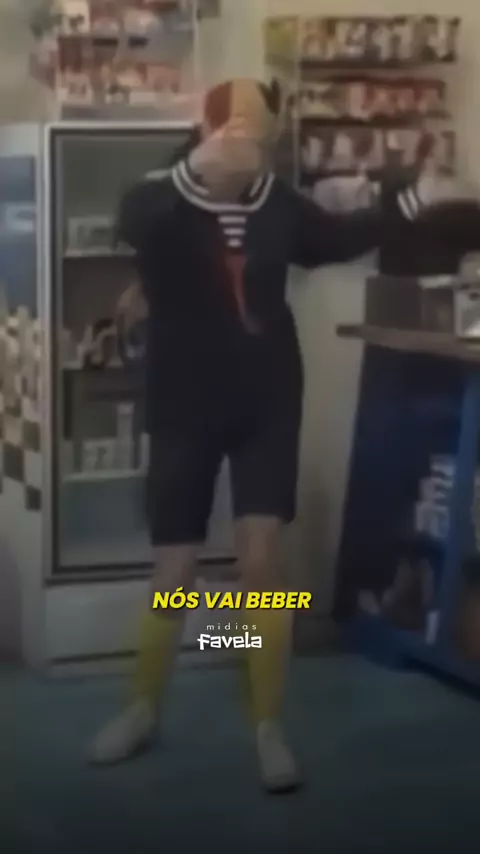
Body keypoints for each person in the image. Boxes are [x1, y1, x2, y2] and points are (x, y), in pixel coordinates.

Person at [88, 77, 480, 792]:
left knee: (263, 569)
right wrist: (197, 173)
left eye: (256, 129)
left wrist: (414, 198)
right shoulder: (160, 197)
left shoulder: (279, 204)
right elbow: (137, 221)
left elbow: (340, 238)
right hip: (182, 403)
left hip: (266, 397)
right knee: (174, 576)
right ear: (204, 132)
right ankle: (144, 704)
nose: (245, 139)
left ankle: (266, 720)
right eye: (230, 127)